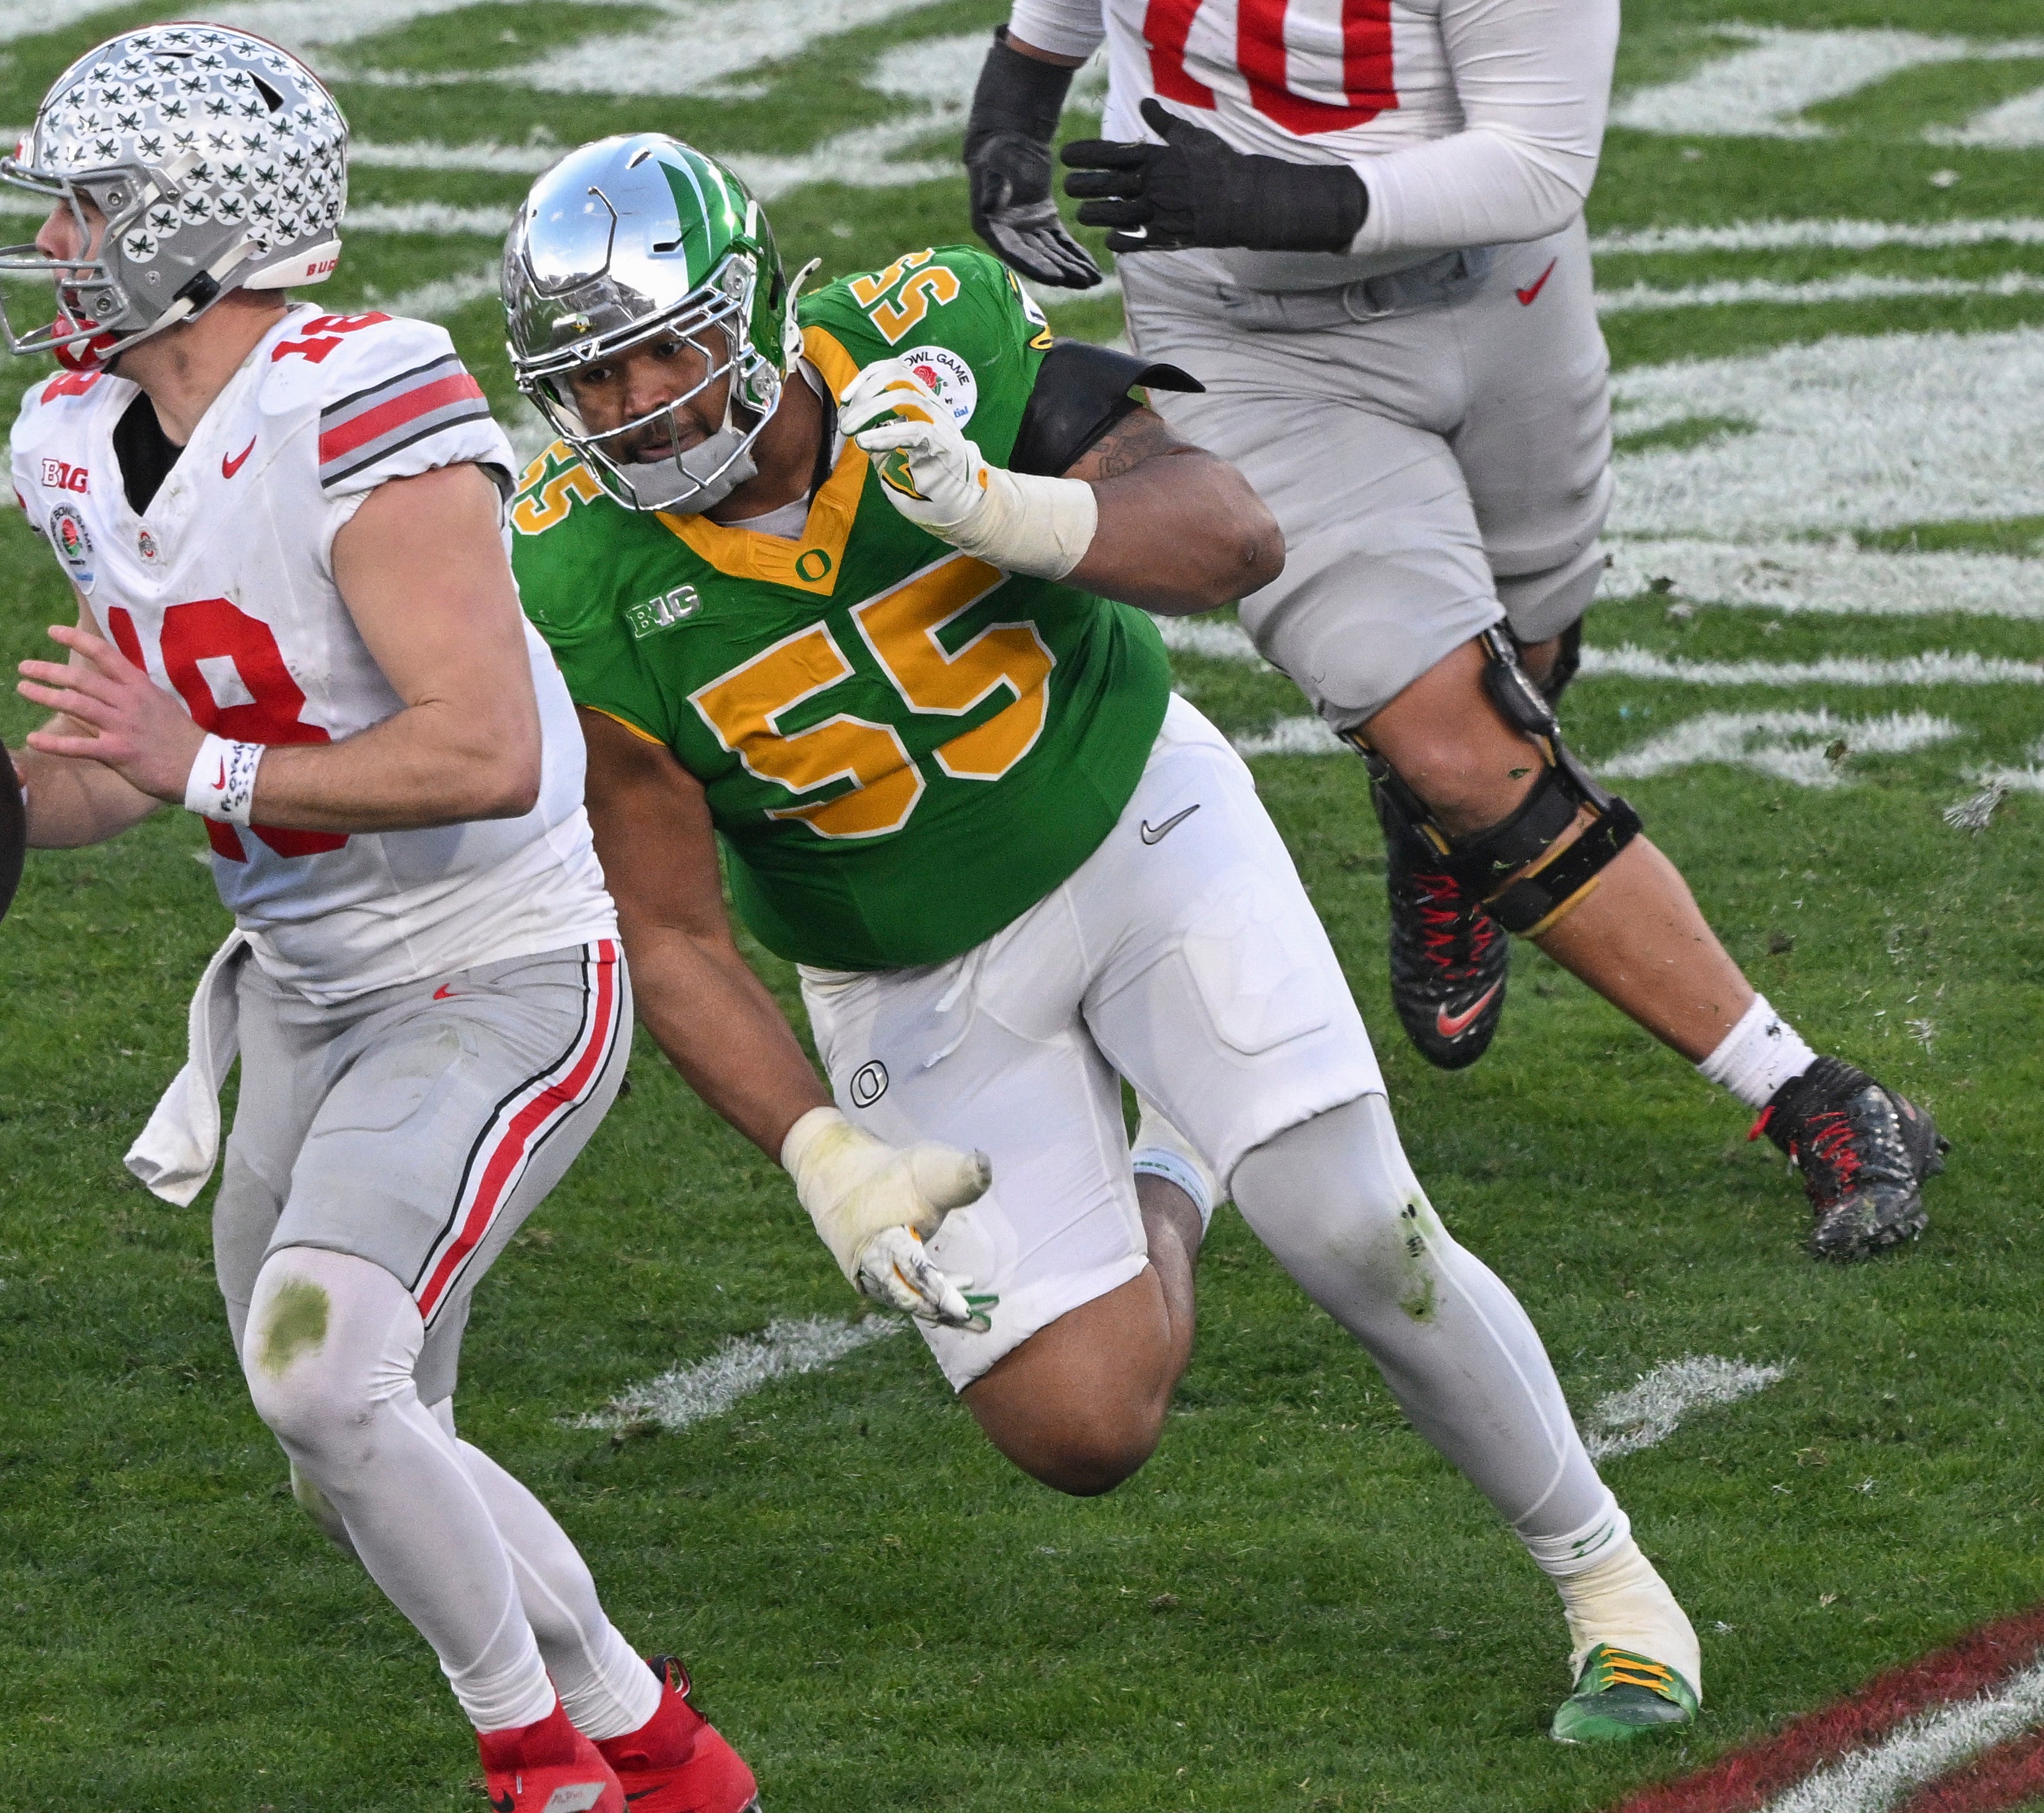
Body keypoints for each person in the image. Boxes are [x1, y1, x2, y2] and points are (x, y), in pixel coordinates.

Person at [500, 130, 1702, 1742]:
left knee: (1351, 1224)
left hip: (1131, 824)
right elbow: (667, 929)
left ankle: (1604, 1581)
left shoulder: (925, 344)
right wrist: (815, 1153)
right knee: (1080, 1426)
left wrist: (1003, 508)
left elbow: (1231, 536)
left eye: (664, 348)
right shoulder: (568, 567)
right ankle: (1172, 1162)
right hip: (904, 962)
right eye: (589, 377)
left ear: (755, 309)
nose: (634, 403)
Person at [0, 29, 756, 1813]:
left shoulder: (363, 399)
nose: (53, 246)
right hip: (303, 993)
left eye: (86, 208)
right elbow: (137, 762)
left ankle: (538, 1764)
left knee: (326, 1381)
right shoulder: (72, 439)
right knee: (352, 1442)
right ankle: (656, 1749)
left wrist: (201, 766)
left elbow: (486, 751)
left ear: (193, 223)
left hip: (492, 970)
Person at [960, 0, 1946, 1261]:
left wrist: (1271, 195)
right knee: (1460, 748)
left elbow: (1536, 161)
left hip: (1496, 295)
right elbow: (1054, 25)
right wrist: (1013, 106)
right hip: (1243, 340)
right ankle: (1806, 1091)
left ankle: (1439, 843)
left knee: (1530, 648)